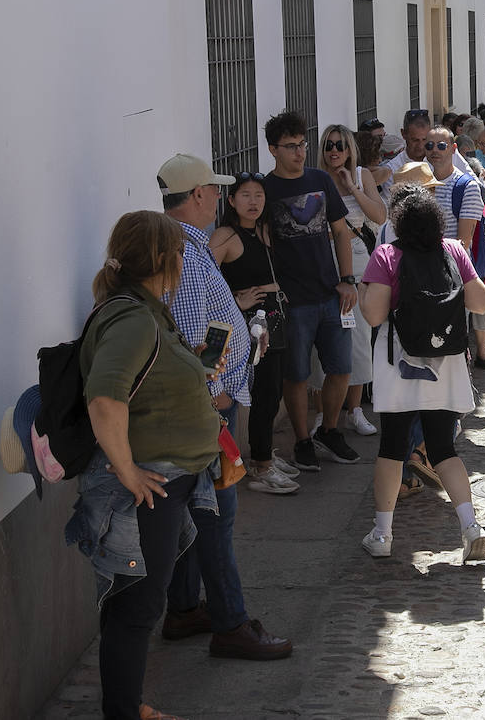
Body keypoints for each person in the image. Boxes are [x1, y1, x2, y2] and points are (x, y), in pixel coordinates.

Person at [68, 211, 225, 719]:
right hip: (145, 485)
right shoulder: (133, 318)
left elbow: (142, 379)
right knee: (136, 608)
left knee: (133, 603)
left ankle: (127, 707)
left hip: (165, 480)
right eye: (178, 251)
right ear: (162, 259)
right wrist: (127, 471)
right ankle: (124, 711)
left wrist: (194, 363)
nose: (183, 260)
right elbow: (104, 398)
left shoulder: (146, 310)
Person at [155, 154, 293, 661]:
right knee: (217, 511)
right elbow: (197, 340)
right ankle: (231, 623)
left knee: (198, 510)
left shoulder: (183, 247)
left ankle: (184, 608)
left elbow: (204, 327)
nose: (219, 196)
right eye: (214, 189)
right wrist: (219, 393)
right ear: (197, 195)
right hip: (207, 408)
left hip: (203, 403)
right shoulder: (188, 255)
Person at [357, 186, 485, 562]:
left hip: (398, 363)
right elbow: (480, 302)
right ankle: (470, 526)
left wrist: (365, 291)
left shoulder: (387, 255)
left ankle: (382, 534)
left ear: (398, 222)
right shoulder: (453, 251)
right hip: (445, 362)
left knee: (392, 447)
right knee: (443, 448)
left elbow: (374, 315)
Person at [262, 112, 362, 471]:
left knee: (342, 368)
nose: (300, 152)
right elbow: (262, 244)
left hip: (331, 293)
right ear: (273, 149)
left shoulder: (320, 180)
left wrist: (347, 279)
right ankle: (303, 440)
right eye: (291, 146)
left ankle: (329, 431)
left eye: (302, 144)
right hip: (292, 301)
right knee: (297, 376)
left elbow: (340, 231)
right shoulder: (265, 189)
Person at [208, 172, 300, 495]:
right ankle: (261, 467)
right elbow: (205, 281)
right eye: (245, 195)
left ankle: (265, 455)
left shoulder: (265, 230)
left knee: (273, 393)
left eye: (259, 195)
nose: (253, 202)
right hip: (248, 329)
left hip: (275, 321)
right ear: (231, 200)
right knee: (262, 395)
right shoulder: (225, 236)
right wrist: (237, 300)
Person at [313, 123, 386, 436]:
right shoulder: (314, 178)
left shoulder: (361, 175)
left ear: (349, 149)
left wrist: (352, 187)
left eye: (340, 145)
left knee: (358, 337)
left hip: (356, 262)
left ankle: (355, 409)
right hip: (322, 262)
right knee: (322, 342)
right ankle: (323, 414)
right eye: (329, 145)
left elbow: (379, 215)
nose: (334, 151)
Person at [425, 125, 485, 368]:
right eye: (430, 145)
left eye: (441, 145)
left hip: (452, 276)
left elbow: (463, 243)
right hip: (424, 275)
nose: (435, 150)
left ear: (453, 148)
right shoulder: (421, 182)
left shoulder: (467, 186)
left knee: (452, 341)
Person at [385, 108, 472, 177]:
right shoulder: (393, 169)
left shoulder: (448, 153)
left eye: (425, 140)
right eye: (415, 140)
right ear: (403, 134)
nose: (420, 146)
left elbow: (474, 183)